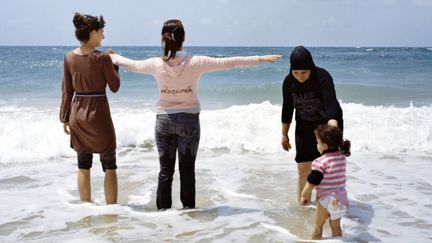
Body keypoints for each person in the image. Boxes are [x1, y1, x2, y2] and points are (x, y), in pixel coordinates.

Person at [109, 19, 281, 210]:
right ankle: (188, 216)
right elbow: (229, 62)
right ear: (183, 39)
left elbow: (131, 65)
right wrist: (259, 58)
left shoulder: (155, 64)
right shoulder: (195, 62)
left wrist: (113, 56)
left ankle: (163, 215)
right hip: (189, 121)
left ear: (163, 39)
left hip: (164, 120)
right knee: (187, 171)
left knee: (165, 172)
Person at [59, 13, 120, 204]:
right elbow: (115, 87)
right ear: (92, 32)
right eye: (101, 32)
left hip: (77, 114)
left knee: (83, 165)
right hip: (99, 115)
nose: (103, 36)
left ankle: (85, 209)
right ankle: (112, 210)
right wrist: (113, 63)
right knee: (109, 165)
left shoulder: (69, 57)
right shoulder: (102, 58)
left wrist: (64, 117)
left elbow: (67, 90)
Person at [281, 46, 344, 203]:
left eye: (304, 72)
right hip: (303, 124)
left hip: (327, 126)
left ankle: (326, 205)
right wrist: (284, 134)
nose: (300, 77)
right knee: (303, 167)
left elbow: (331, 108)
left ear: (311, 67)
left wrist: (332, 133)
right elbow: (287, 109)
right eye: (296, 73)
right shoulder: (289, 82)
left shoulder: (323, 77)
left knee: (325, 168)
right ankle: (302, 209)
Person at [300, 124, 351, 239]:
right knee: (336, 227)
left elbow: (314, 180)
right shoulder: (342, 157)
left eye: (318, 143)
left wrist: (304, 195)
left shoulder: (320, 161)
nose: (317, 145)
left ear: (325, 146)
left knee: (318, 225)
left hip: (327, 200)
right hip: (340, 199)